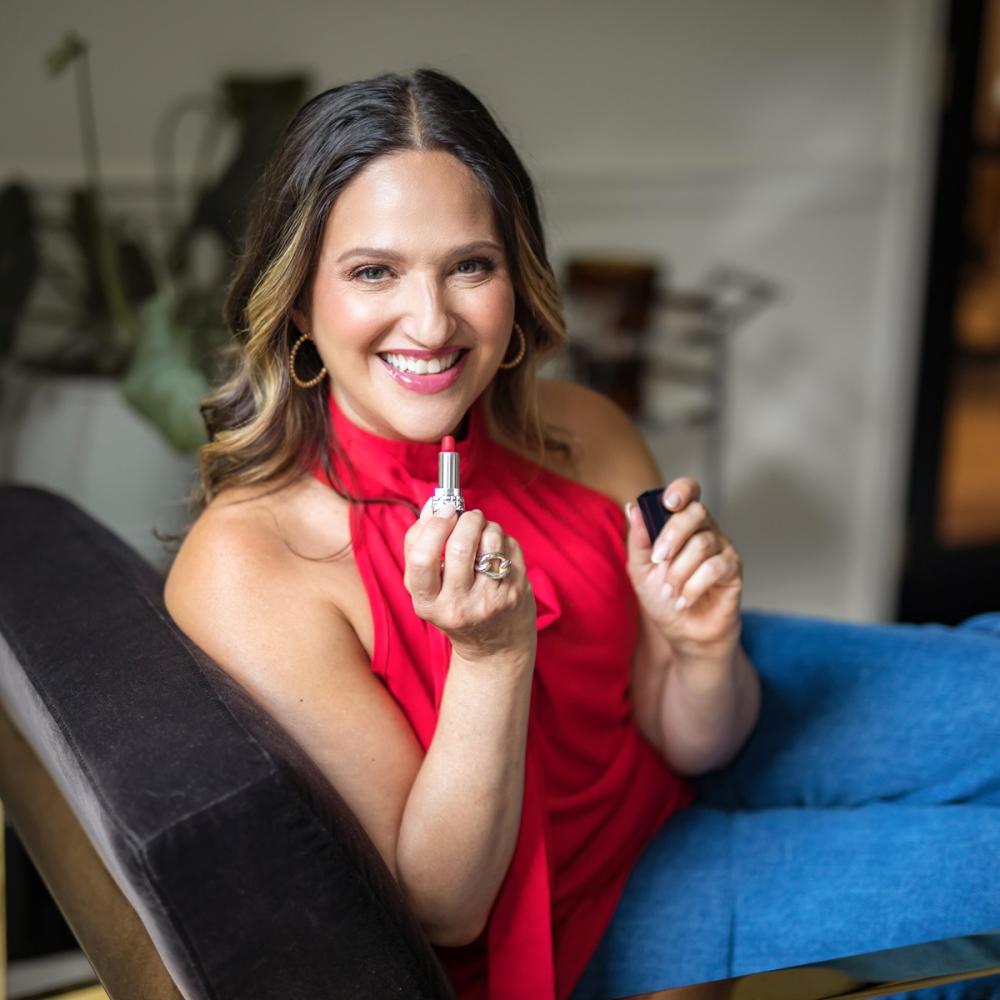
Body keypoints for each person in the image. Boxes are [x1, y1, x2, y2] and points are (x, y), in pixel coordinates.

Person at [163, 68, 1000, 1000]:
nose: (432, 322)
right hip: (593, 906)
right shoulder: (250, 566)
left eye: (470, 266)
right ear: (297, 304)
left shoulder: (583, 429)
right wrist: (490, 657)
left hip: (689, 761)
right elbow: (445, 911)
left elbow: (693, 740)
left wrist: (702, 648)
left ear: (514, 281)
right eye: (373, 272)